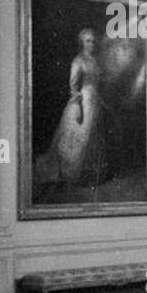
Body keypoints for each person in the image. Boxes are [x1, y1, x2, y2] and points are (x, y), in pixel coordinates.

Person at [35, 28, 108, 193]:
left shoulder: (95, 61)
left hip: (95, 101)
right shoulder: (78, 61)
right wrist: (78, 107)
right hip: (84, 102)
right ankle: (74, 173)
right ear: (82, 43)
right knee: (82, 135)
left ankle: (92, 174)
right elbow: (73, 86)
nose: (91, 44)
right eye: (88, 41)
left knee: (94, 136)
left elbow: (99, 83)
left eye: (93, 41)